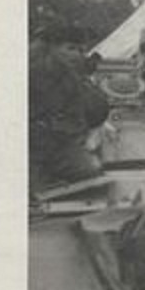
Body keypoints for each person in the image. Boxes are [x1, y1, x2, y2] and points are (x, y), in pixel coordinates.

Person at [29, 23, 110, 192]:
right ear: (49, 48)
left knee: (92, 171)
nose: (77, 55)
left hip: (61, 146)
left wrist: (83, 80)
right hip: (30, 148)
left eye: (81, 50)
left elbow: (96, 112)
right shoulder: (30, 72)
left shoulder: (73, 79)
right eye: (70, 48)